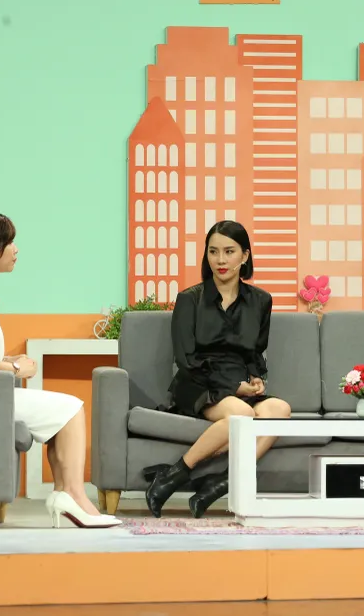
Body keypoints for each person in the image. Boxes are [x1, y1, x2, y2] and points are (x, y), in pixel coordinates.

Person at [0, 208, 120, 529]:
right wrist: (16, 368)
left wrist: (6, 361)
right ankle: (73, 496)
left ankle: (67, 495)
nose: (15, 250)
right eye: (9, 243)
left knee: (61, 412)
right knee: (72, 409)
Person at [144, 220, 291, 518]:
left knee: (280, 409)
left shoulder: (261, 301)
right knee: (242, 415)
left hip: (238, 385)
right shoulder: (190, 299)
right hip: (198, 381)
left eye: (229, 251)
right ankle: (172, 476)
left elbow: (255, 352)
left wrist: (255, 377)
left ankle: (220, 483)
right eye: (213, 252)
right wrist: (233, 387)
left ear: (244, 256)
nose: (220, 260)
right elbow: (186, 359)